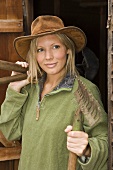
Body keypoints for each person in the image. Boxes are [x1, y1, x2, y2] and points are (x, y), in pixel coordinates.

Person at [0, 15, 108, 170]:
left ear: (68, 50)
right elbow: (10, 133)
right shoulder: (30, 89)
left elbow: (104, 142)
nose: (48, 56)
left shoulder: (84, 91)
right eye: (40, 50)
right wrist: (14, 90)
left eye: (55, 47)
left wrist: (87, 149)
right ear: (35, 55)